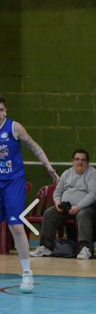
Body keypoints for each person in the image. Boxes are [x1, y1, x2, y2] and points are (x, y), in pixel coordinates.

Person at [0, 94, 60, 293]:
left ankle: (27, 273)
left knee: (16, 226)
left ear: (5, 111)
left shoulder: (14, 128)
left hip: (13, 183)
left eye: (1, 110)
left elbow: (34, 146)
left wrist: (49, 167)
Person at [30, 149, 96, 260]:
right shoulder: (67, 173)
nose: (80, 162)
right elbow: (57, 192)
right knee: (49, 213)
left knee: (83, 214)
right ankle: (46, 247)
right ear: (72, 161)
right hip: (66, 207)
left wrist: (78, 207)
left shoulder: (93, 174)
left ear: (88, 162)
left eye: (83, 160)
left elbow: (93, 195)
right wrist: (58, 203)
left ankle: (85, 249)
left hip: (86, 208)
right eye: (77, 159)